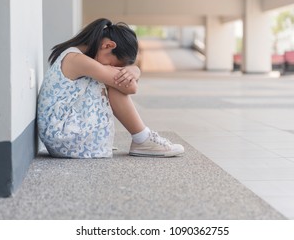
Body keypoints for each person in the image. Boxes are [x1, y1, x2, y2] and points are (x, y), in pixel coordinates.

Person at [37, 18, 184, 158]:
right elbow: (131, 87)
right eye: (115, 65)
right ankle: (142, 138)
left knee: (115, 80)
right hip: (62, 137)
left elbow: (128, 85)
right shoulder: (78, 60)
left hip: (60, 135)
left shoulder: (74, 55)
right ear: (108, 45)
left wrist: (134, 70)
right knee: (116, 83)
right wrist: (134, 71)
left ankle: (142, 138)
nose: (113, 68)